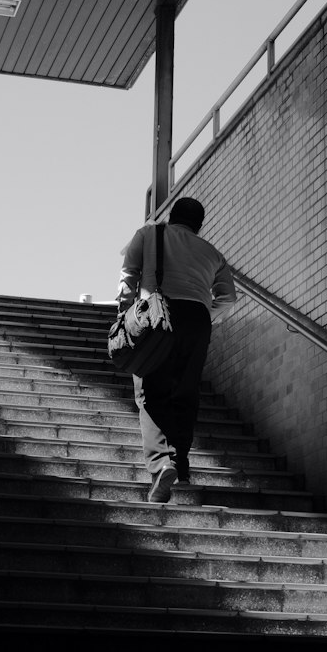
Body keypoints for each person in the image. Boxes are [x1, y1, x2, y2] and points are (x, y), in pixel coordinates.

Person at [116, 197, 237, 503]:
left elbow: (128, 277)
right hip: (197, 321)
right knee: (184, 394)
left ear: (171, 216)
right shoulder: (214, 254)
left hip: (158, 316)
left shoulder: (149, 234)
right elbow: (228, 297)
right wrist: (204, 311)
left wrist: (124, 316)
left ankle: (160, 466)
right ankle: (180, 465)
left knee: (150, 392)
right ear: (199, 225)